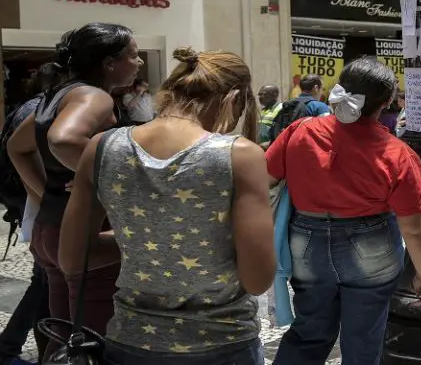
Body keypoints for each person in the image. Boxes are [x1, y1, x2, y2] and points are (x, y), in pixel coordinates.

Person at [56, 46, 275, 365]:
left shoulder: (102, 147)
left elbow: (73, 259)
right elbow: (258, 279)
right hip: (222, 344)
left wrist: (148, 241)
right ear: (234, 99)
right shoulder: (239, 155)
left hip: (131, 342)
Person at [267, 58, 421, 365]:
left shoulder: (299, 132)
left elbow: (265, 180)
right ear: (385, 103)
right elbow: (415, 228)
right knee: (363, 339)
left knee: (308, 332)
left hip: (306, 244)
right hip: (371, 248)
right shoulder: (397, 153)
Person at [8, 23, 142, 359]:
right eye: (133, 55)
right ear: (110, 63)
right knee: (97, 341)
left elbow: (17, 147)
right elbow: (63, 140)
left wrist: (46, 193)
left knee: (64, 337)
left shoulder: (59, 94)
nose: (139, 63)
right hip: (87, 238)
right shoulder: (93, 97)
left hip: (51, 231)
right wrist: (107, 177)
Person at [0, 64, 52, 365]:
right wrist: (46, 198)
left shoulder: (27, 107)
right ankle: (14, 345)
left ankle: (12, 343)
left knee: (42, 277)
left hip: (25, 201)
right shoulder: (41, 112)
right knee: (44, 278)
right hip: (33, 202)